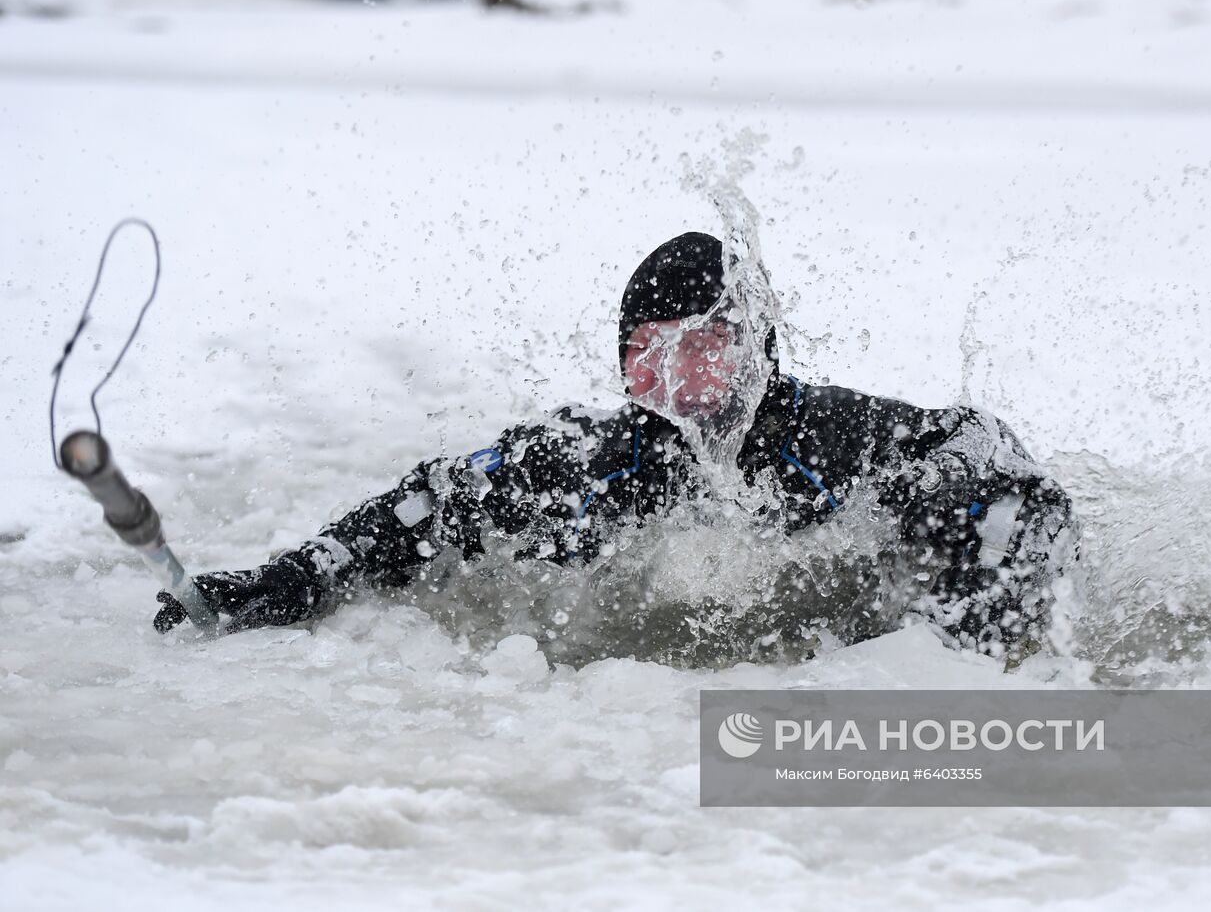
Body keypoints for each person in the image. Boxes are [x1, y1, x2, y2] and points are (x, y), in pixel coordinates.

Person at [154, 233, 1076, 661]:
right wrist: (291, 578)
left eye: (708, 347)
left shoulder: (831, 438)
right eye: (650, 357)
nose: (682, 384)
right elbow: (430, 505)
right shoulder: (600, 463)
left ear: (757, 348)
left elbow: (985, 460)